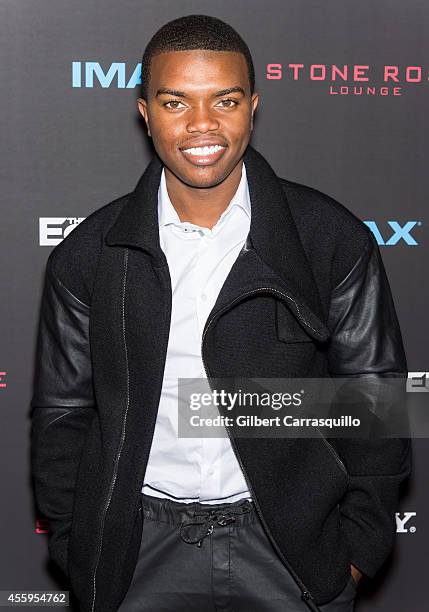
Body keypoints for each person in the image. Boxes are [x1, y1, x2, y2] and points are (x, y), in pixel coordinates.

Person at [30, 14, 411, 612]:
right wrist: (81, 545)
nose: (202, 125)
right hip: (136, 555)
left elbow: (375, 396)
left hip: (293, 554)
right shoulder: (90, 254)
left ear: (252, 107)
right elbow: (63, 413)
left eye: (224, 100)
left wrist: (356, 553)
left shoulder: (328, 237)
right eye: (175, 101)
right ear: (144, 111)